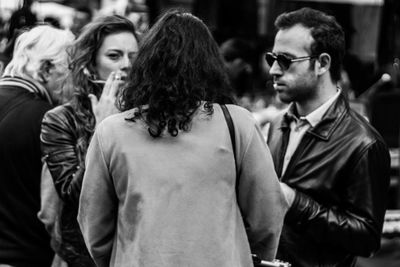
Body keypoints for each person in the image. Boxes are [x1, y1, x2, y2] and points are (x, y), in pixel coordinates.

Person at [77, 9, 287, 267]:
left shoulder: (111, 131)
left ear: (145, 64)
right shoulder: (237, 124)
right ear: (211, 66)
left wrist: (126, 254)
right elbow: (267, 214)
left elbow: (93, 225)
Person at [266, 7, 391, 267]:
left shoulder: (364, 143)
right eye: (272, 59)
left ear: (322, 63)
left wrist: (295, 203)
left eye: (286, 60)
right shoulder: (278, 124)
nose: (274, 70)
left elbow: (367, 239)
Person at [40, 15, 140, 267]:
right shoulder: (61, 119)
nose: (127, 65)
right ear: (90, 65)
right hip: (82, 257)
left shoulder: (149, 116)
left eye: (134, 56)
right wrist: (101, 131)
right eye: (115, 56)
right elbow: (73, 195)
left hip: (135, 251)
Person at [0, 25, 74, 267]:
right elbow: (56, 208)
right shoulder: (47, 119)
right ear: (45, 69)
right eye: (70, 71)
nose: (73, 83)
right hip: (25, 256)